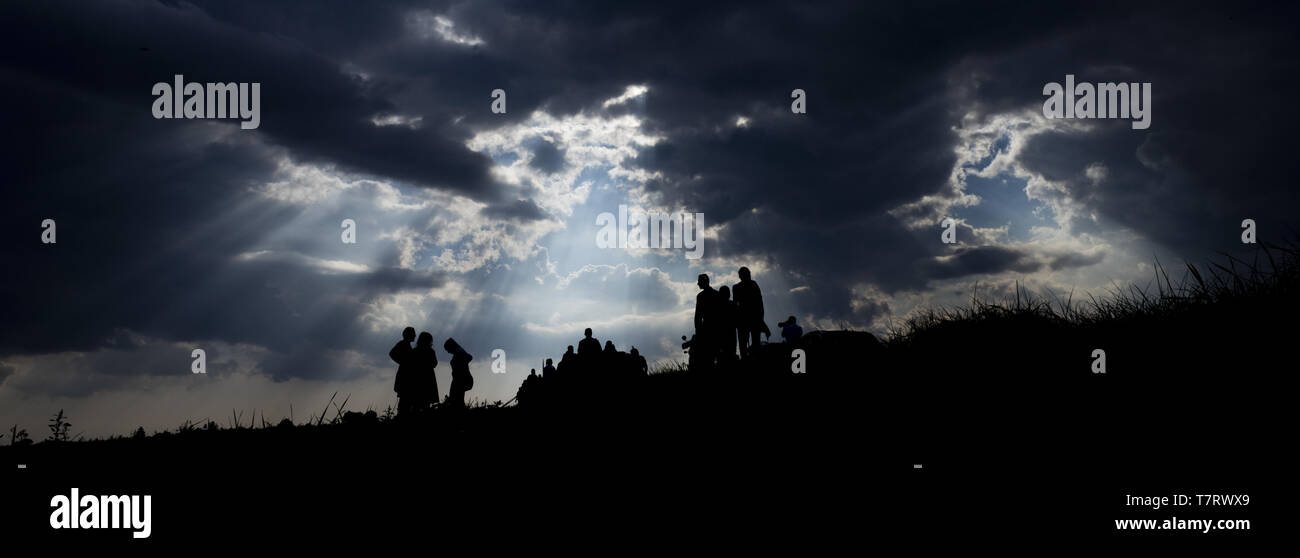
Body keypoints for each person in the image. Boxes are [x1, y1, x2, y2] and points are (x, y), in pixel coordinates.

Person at [733, 267, 765, 358]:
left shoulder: (739, 287)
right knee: (749, 343)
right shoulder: (751, 285)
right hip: (748, 318)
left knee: (750, 344)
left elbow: (759, 302)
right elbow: (760, 302)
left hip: (749, 318)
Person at [409, 331, 440, 413]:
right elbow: (435, 364)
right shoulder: (431, 351)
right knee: (426, 403)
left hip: (416, 379)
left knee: (415, 403)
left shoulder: (414, 351)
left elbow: (411, 364)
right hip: (428, 378)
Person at [390, 327, 418, 416]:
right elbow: (392, 353)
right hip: (405, 376)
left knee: (406, 399)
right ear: (409, 335)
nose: (415, 335)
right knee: (405, 399)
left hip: (405, 375)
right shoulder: (403, 344)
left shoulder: (406, 344)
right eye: (413, 334)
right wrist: (402, 362)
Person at [694, 274, 718, 369]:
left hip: (707, 328)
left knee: (708, 356)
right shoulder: (716, 294)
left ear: (704, 282)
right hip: (715, 327)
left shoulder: (700, 296)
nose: (698, 284)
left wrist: (698, 330)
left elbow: (698, 316)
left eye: (699, 282)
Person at [444, 338, 474, 409]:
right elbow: (469, 357)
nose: (448, 352)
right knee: (458, 399)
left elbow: (468, 358)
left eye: (447, 349)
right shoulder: (460, 352)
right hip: (461, 379)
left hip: (460, 379)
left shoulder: (459, 352)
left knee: (457, 400)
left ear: (451, 346)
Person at [716, 285, 738, 363]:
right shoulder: (732, 304)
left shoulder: (717, 306)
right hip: (729, 332)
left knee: (723, 355)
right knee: (730, 353)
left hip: (723, 333)